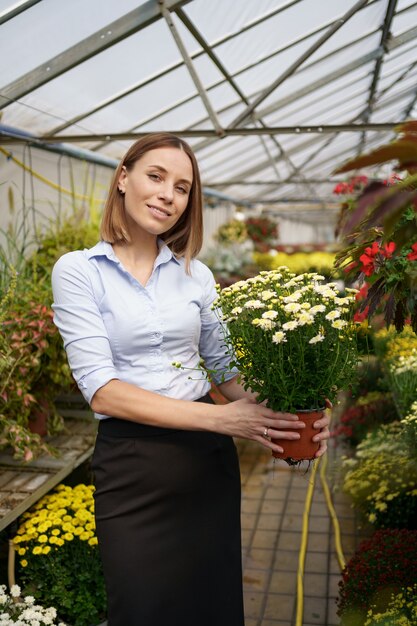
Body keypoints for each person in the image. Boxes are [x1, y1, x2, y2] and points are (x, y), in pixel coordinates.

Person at [51, 132, 330, 626]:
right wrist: (224, 419)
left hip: (206, 468)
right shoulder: (79, 271)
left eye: (182, 187)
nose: (168, 195)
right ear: (123, 178)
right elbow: (102, 389)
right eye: (156, 177)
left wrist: (287, 414)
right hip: (133, 466)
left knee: (212, 606)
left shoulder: (194, 275)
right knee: (140, 609)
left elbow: (224, 370)